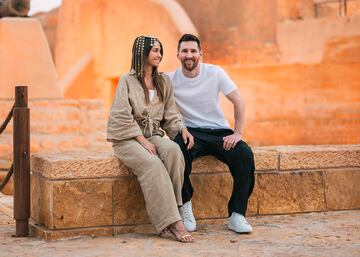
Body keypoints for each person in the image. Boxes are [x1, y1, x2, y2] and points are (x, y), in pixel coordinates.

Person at [107, 35, 194, 243]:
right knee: (153, 164)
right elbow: (120, 116)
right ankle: (173, 223)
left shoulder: (163, 81)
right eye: (155, 50)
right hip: (128, 139)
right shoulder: (126, 80)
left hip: (153, 134)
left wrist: (181, 128)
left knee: (174, 151)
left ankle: (175, 211)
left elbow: (171, 114)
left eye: (160, 51)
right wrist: (142, 141)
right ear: (142, 52)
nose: (159, 54)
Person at [168, 34, 255, 234]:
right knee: (176, 151)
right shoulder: (170, 79)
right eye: (184, 51)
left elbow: (238, 101)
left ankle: (237, 215)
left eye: (192, 51)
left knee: (244, 155)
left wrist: (238, 132)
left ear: (200, 54)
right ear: (178, 55)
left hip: (219, 132)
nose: (188, 55)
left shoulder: (215, 72)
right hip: (190, 133)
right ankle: (186, 206)